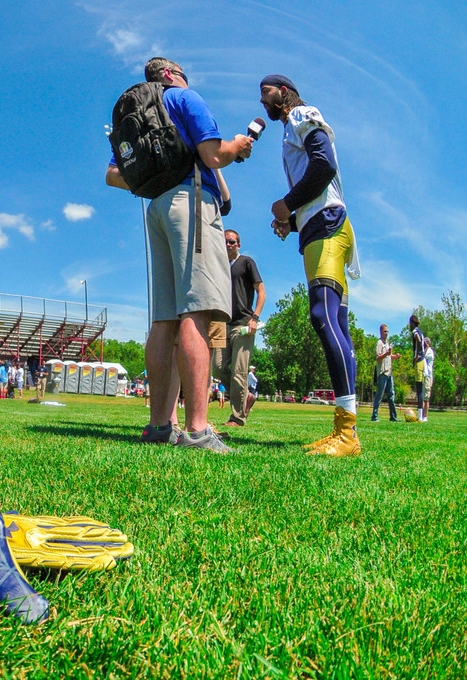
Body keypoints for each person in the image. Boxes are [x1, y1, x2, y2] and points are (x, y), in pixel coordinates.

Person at [107, 57, 252, 451]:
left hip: (155, 207)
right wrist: (237, 147)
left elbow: (114, 175)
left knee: (165, 317)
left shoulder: (138, 114)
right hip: (191, 201)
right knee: (197, 311)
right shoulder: (183, 97)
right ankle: (198, 429)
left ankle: (159, 426)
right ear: (171, 75)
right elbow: (213, 155)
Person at [260, 74, 361, 457]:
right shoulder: (290, 128)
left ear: (283, 93)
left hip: (328, 225)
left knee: (322, 315)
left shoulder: (301, 113)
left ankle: (348, 432)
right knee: (338, 324)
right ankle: (345, 427)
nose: (262, 102)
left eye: (266, 94)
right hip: (322, 224)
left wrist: (287, 204)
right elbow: (316, 175)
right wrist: (292, 218)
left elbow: (324, 166)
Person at [212, 229, 266, 427]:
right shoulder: (220, 267)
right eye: (225, 242)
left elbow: (261, 292)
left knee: (239, 372)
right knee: (217, 368)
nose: (228, 245)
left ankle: (237, 417)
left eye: (232, 242)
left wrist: (255, 318)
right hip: (223, 323)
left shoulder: (246, 262)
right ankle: (246, 397)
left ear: (238, 245)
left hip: (244, 324)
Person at [371, 324, 400, 422]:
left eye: (387, 331)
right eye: (385, 331)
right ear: (381, 332)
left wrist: (395, 356)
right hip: (382, 373)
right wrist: (386, 354)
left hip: (389, 372)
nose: (386, 333)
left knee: (391, 395)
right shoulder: (379, 343)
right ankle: (374, 416)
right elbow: (378, 358)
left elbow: (389, 356)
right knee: (379, 395)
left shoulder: (387, 343)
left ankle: (393, 417)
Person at [410, 314, 426, 422]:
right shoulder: (420, 331)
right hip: (423, 361)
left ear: (412, 323)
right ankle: (421, 414)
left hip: (419, 362)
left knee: (419, 388)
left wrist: (416, 357)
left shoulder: (415, 331)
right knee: (420, 389)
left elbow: (419, 341)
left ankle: (420, 416)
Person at [422, 337, 434, 422]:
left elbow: (423, 356)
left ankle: (425, 416)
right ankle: (421, 415)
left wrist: (426, 347)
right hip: (424, 376)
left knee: (426, 398)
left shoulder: (429, 351)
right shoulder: (425, 350)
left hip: (428, 376)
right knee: (422, 397)